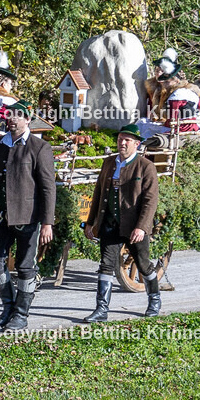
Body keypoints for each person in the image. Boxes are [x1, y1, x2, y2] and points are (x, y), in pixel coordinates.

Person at [0, 100, 56, 331]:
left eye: (17, 116)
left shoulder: (39, 148)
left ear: (28, 119)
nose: (11, 119)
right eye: (9, 115)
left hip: (28, 217)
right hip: (0, 215)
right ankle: (9, 306)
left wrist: (47, 222)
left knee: (24, 267)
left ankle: (21, 315)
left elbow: (48, 188)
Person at [83, 124, 161, 322]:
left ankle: (154, 299)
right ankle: (101, 310)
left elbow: (150, 200)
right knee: (106, 265)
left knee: (143, 265)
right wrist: (90, 222)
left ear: (137, 144)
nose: (122, 143)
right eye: (120, 139)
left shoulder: (146, 166)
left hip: (134, 226)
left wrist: (142, 227)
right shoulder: (109, 163)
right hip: (110, 223)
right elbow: (99, 193)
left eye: (127, 140)